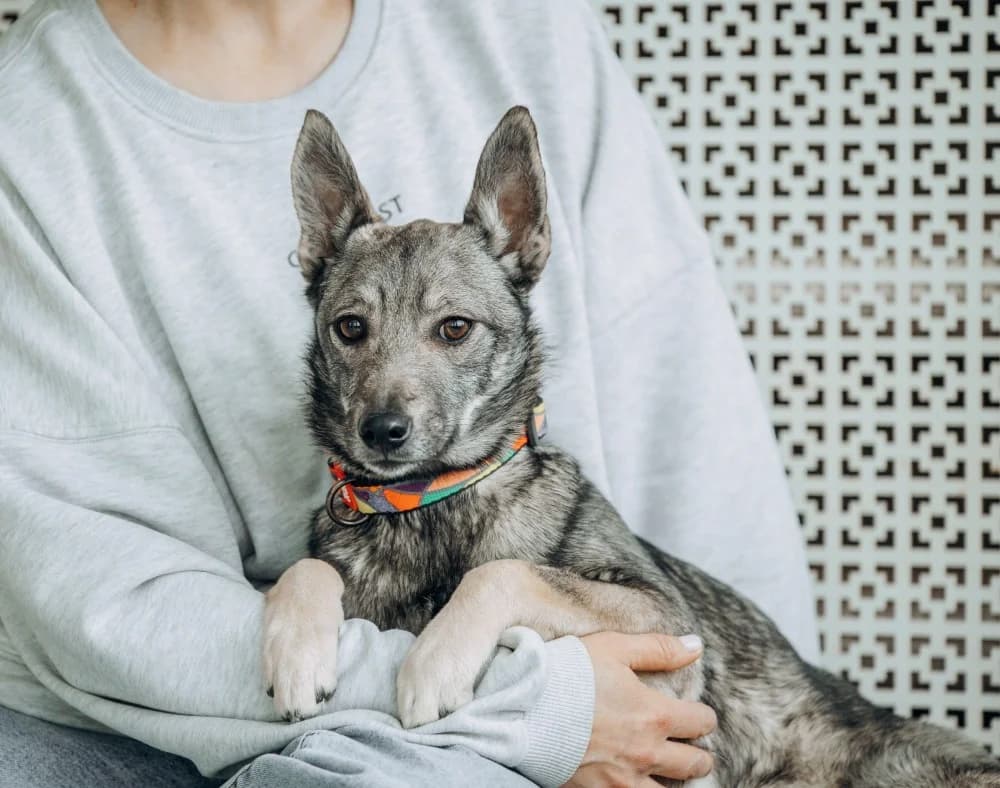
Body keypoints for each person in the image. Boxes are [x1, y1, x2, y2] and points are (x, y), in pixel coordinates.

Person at [0, 0, 819, 785]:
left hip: (625, 712)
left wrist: (779, 721)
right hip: (140, 726)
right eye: (351, 331)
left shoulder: (524, 25)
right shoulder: (32, 122)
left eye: (452, 330)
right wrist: (537, 708)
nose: (389, 395)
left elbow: (687, 424)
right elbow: (103, 614)